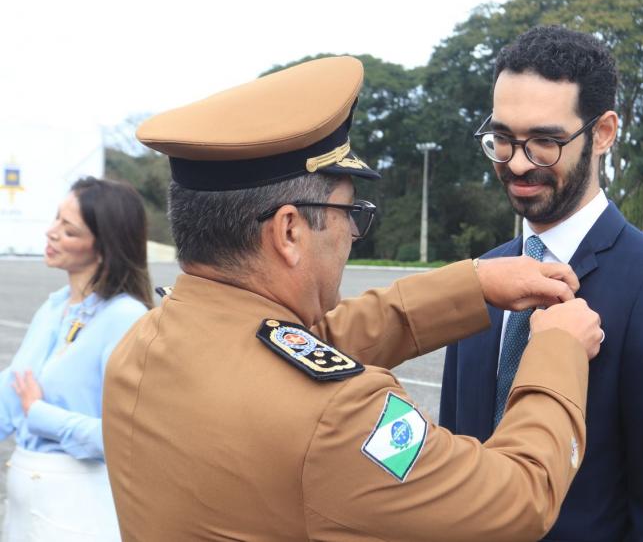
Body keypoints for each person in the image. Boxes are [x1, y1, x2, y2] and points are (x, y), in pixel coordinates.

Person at [102, 55, 604, 541]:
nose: (350, 234)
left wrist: (470, 284)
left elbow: (293, 351)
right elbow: (518, 499)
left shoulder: (141, 346)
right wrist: (556, 352)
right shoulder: (341, 416)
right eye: (349, 211)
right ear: (289, 232)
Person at [440, 25, 643, 541]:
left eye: (545, 142)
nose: (518, 162)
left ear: (604, 132)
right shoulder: (480, 277)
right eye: (501, 139)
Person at [0, 177, 151, 541]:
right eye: (55, 220)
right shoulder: (52, 308)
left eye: (68, 230)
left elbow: (126, 439)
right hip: (23, 512)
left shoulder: (125, 319)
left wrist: (39, 414)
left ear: (104, 246)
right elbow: (9, 398)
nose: (50, 233)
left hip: (79, 513)